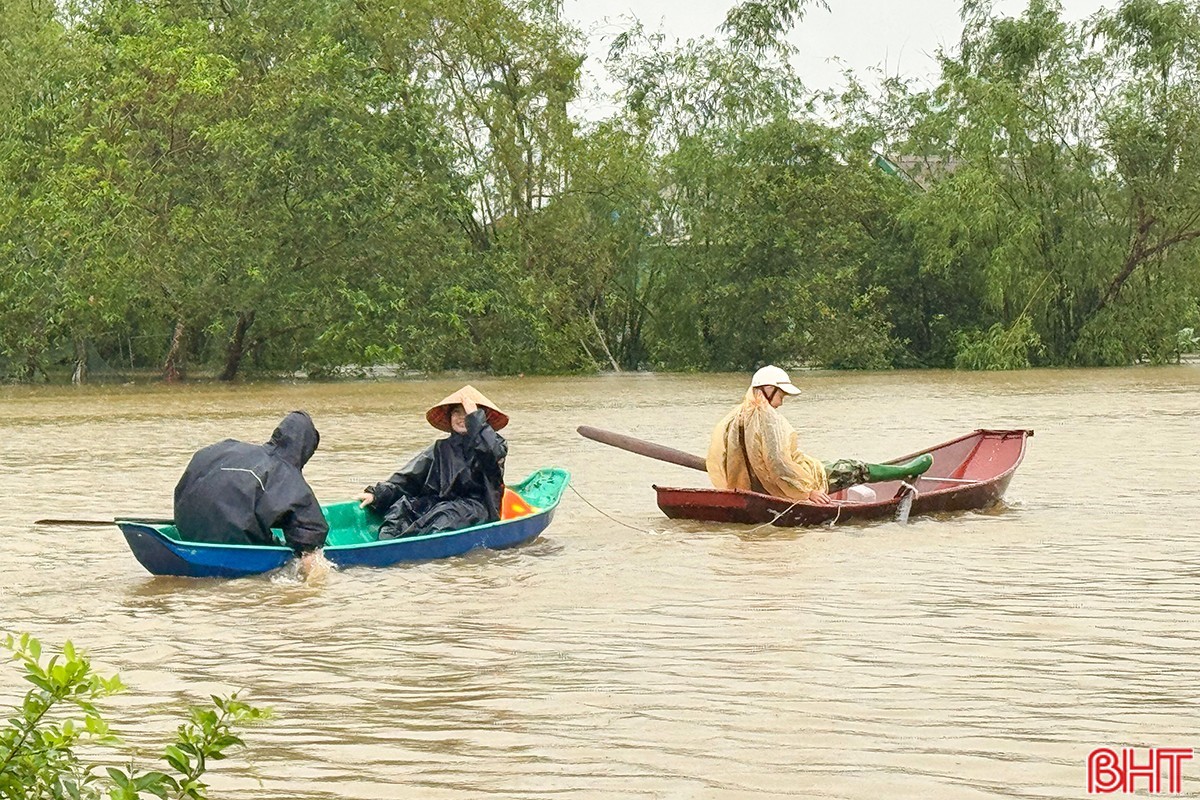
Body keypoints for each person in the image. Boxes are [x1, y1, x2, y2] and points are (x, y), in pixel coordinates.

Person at [707, 366, 931, 504]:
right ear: (768, 389)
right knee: (852, 467)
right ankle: (906, 470)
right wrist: (807, 492)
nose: (783, 399)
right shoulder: (767, 418)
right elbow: (778, 464)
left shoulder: (735, 417)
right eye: (781, 393)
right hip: (779, 488)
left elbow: (722, 458)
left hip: (752, 486)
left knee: (819, 464)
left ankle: (896, 469)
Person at [173, 410, 328, 569]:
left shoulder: (225, 448)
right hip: (234, 541)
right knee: (310, 556)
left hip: (186, 531)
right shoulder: (286, 475)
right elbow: (312, 531)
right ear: (305, 449)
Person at [357, 385, 508, 539]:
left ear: (479, 418)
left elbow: (490, 454)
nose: (461, 418)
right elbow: (408, 478)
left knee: (445, 516)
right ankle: (385, 546)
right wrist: (377, 495)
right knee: (402, 509)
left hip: (477, 507)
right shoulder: (439, 448)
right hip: (438, 504)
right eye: (457, 412)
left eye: (467, 414)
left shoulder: (496, 445)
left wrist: (474, 418)